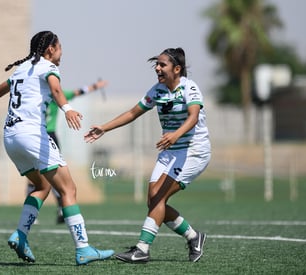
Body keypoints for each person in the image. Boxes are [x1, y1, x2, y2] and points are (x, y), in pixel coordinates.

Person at [0, 30, 114, 265]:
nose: (62, 52)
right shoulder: (48, 67)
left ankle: (21, 235)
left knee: (41, 186)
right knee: (68, 189)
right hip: (32, 135)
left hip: (11, 138)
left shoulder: (21, 70)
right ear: (50, 49)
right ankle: (83, 249)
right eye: (60, 47)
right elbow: (56, 89)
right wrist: (67, 108)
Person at [84, 47, 211, 263]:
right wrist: (104, 128)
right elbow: (133, 113)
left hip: (193, 151)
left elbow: (194, 116)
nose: (157, 68)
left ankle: (142, 249)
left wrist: (175, 135)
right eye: (157, 64)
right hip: (170, 151)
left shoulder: (189, 88)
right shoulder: (157, 90)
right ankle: (193, 236)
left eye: (162, 65)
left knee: (159, 197)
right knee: (153, 199)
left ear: (177, 69)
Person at [27, 79, 108, 224]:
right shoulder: (58, 93)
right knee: (56, 175)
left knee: (34, 176)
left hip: (35, 136)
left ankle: (34, 214)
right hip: (49, 136)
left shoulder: (34, 95)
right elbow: (80, 91)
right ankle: (60, 209)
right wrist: (96, 86)